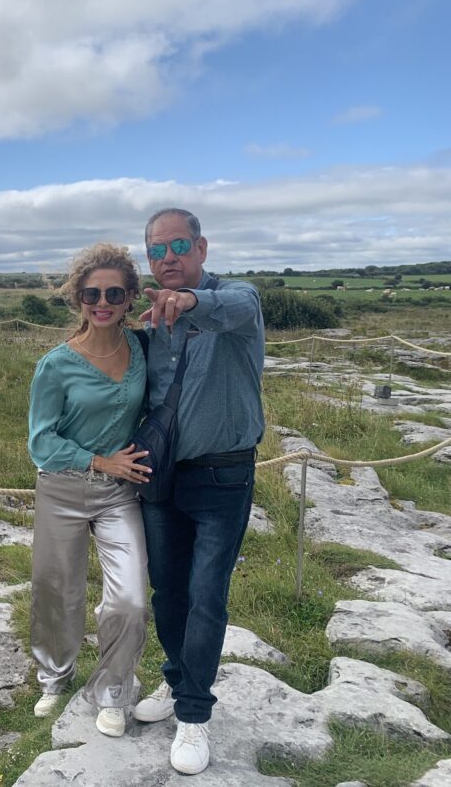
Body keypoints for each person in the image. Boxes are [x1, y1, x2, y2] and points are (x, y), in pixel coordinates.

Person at [132, 208, 265, 776]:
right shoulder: (149, 320)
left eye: (178, 245)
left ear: (202, 247)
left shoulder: (233, 302)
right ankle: (177, 679)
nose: (168, 259)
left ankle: (193, 715)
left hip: (222, 477)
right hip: (161, 479)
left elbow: (240, 306)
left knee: (206, 594)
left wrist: (192, 303)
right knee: (169, 594)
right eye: (156, 251)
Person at [27, 243, 152, 738]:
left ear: (129, 298)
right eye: (92, 293)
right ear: (78, 297)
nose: (103, 302)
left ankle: (115, 689)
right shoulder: (55, 365)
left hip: (119, 493)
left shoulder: (143, 349)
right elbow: (41, 441)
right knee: (57, 590)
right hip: (62, 487)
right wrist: (102, 460)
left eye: (114, 293)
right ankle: (54, 675)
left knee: (131, 601)